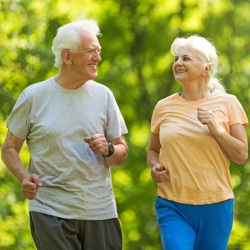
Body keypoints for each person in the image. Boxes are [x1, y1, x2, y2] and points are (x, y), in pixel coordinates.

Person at [1, 19, 128, 250]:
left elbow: (121, 154)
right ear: (67, 57)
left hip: (99, 210)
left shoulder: (105, 96)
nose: (98, 58)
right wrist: (24, 177)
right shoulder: (34, 96)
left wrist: (108, 149)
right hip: (50, 210)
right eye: (91, 51)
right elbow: (9, 148)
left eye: (98, 51)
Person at [147, 35, 248, 250]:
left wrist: (216, 129)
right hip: (172, 204)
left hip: (216, 205)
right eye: (176, 59)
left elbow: (241, 155)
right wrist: (154, 167)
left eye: (186, 58)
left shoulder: (228, 103)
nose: (178, 63)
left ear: (206, 68)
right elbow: (153, 151)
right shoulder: (163, 107)